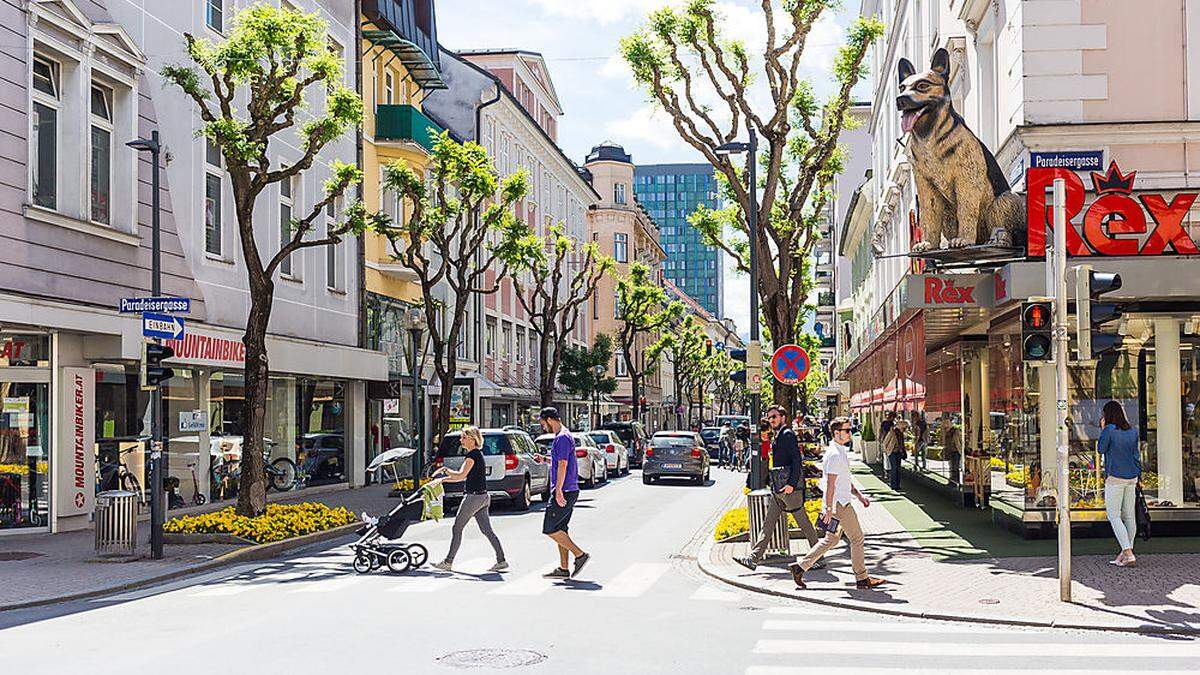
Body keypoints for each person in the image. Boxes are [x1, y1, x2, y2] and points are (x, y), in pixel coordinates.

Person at [789, 416, 886, 590]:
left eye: (850, 430)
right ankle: (862, 579)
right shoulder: (834, 454)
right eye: (847, 430)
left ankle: (800, 567)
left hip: (837, 503)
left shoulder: (839, 450)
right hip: (840, 505)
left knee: (831, 540)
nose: (850, 433)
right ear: (836, 433)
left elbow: (843, 480)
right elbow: (831, 484)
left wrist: (859, 495)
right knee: (857, 539)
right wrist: (828, 508)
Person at [735, 406, 821, 570]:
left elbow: (797, 460)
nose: (771, 420)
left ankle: (818, 557)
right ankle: (754, 558)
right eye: (769, 417)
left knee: (804, 524)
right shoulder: (779, 435)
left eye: (774, 416)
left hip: (789, 490)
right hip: (779, 489)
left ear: (783, 417)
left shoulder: (787, 435)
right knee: (768, 524)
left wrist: (791, 484)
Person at [431, 427, 507, 572]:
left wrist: (443, 476)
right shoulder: (477, 454)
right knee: (487, 530)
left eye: (463, 437)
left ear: (472, 439)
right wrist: (444, 476)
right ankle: (501, 560)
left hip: (473, 497)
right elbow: (461, 476)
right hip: (483, 496)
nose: (461, 440)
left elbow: (460, 476)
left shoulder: (472, 456)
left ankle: (448, 562)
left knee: (457, 528)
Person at [538, 407, 590, 579]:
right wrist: (544, 459)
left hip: (565, 490)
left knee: (550, 529)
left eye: (543, 423)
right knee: (561, 529)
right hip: (568, 489)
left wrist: (558, 490)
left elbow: (563, 465)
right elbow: (559, 462)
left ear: (549, 420)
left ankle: (580, 555)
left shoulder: (561, 438)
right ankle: (563, 568)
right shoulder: (564, 436)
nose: (543, 427)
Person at [1099, 401, 1141, 567]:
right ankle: (1124, 554)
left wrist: (1103, 430)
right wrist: (1139, 475)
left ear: (1107, 415)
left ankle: (1128, 554)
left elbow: (1101, 449)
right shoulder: (1132, 430)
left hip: (1115, 477)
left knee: (1114, 516)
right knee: (1129, 516)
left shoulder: (1109, 430)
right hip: (1132, 477)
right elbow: (1136, 455)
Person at [883, 419, 908, 490]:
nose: (905, 429)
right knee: (894, 468)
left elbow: (902, 444)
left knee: (898, 469)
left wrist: (903, 451)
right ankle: (893, 485)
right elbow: (885, 442)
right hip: (892, 452)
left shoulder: (901, 434)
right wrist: (887, 451)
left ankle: (897, 484)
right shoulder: (892, 433)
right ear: (900, 427)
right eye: (904, 428)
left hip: (899, 452)